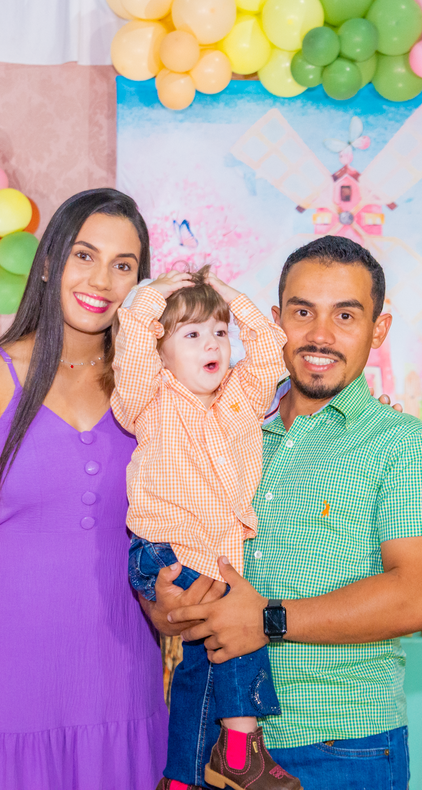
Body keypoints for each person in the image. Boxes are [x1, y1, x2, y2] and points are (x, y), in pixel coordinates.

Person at [149, 235, 422, 790]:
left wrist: (266, 619)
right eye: (302, 312)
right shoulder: (224, 429)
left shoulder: (405, 446)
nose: (320, 335)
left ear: (379, 330)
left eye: (346, 315)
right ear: (275, 323)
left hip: (341, 747)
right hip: (209, 745)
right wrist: (169, 606)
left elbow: (418, 598)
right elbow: (178, 560)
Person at [0, 189, 204, 789]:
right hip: (8, 663)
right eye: (85, 255)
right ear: (50, 261)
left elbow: (228, 432)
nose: (101, 280)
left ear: (140, 283)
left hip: (120, 661)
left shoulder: (152, 386)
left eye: (123, 265)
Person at [113, 267, 299, 790]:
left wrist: (230, 298)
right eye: (191, 335)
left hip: (215, 557)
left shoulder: (242, 397)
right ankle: (240, 751)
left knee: (201, 669)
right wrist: (152, 298)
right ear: (161, 351)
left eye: (219, 332)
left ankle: (182, 778)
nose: (211, 343)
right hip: (163, 551)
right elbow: (133, 346)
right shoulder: (149, 400)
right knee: (241, 625)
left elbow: (270, 346)